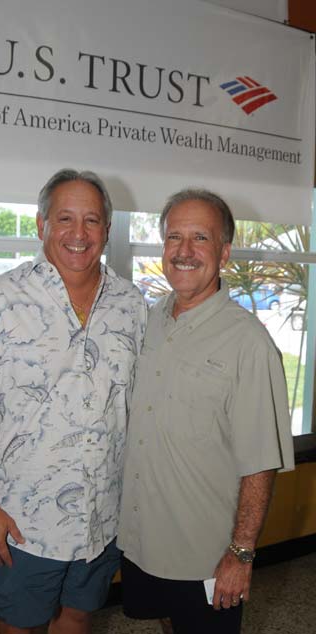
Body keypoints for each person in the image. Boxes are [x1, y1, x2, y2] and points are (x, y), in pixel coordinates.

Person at [0, 169, 147, 634]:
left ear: (107, 231)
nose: (79, 233)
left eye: (92, 221)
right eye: (65, 218)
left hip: (102, 517)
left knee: (77, 615)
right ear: (40, 225)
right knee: (18, 624)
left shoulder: (133, 306)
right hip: (22, 521)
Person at [117, 189, 294, 634]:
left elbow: (260, 463)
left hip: (204, 554)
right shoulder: (153, 318)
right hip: (143, 540)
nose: (184, 251)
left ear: (225, 252)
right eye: (174, 237)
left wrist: (241, 554)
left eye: (200, 238)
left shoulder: (248, 344)